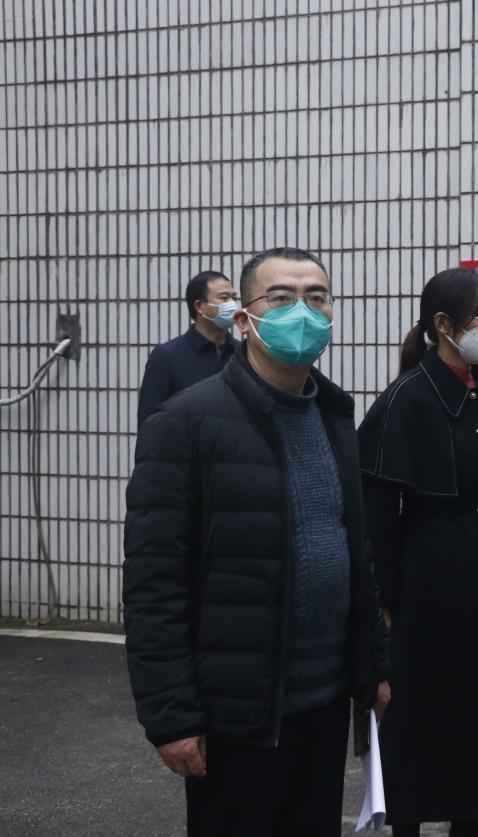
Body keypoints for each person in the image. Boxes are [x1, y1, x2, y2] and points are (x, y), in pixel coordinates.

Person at [122, 247, 391, 837]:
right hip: (237, 716)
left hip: (325, 704)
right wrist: (172, 716)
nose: (304, 311)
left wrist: (373, 666)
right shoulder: (185, 422)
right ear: (244, 320)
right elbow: (153, 582)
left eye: (317, 298)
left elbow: (356, 549)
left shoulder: (334, 415)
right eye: (283, 298)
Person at [356, 268, 478, 836]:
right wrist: (384, 606)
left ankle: (470, 820)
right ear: (443, 324)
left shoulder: (477, 385)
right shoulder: (405, 400)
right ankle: (407, 822)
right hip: (430, 577)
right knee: (422, 709)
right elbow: (377, 522)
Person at [137, 270, 240, 424]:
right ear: (200, 306)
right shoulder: (166, 357)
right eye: (224, 298)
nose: (232, 305)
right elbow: (149, 421)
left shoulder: (243, 353)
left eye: (234, 298)